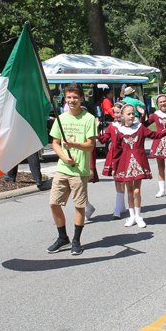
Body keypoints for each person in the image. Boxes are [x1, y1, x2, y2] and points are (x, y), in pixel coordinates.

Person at [47, 82, 97, 255]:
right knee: (54, 203)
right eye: (69, 97)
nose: (72, 100)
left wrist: (74, 144)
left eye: (75, 97)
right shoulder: (61, 119)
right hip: (63, 168)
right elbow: (55, 143)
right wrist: (64, 156)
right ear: (64, 99)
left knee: (79, 206)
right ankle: (63, 238)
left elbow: (90, 146)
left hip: (79, 171)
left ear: (81, 98)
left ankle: (76, 241)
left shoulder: (88, 119)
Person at [111, 104, 166, 228]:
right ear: (122, 116)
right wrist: (114, 167)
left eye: (133, 113)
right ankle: (131, 216)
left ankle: (138, 215)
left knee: (137, 190)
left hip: (138, 161)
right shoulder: (119, 131)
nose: (131, 116)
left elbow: (154, 135)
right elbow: (116, 150)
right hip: (125, 163)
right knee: (130, 191)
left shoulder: (140, 128)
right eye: (128, 114)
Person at [143, 94, 166, 197]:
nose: (163, 103)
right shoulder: (155, 114)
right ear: (157, 104)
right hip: (158, 141)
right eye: (160, 102)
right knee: (160, 167)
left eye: (164, 101)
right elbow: (144, 125)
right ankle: (162, 189)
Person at [97, 102, 127, 219]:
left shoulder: (129, 126)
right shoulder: (112, 126)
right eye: (114, 112)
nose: (116, 115)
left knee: (121, 181)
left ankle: (117, 209)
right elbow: (104, 140)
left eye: (118, 112)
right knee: (117, 181)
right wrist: (97, 129)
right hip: (114, 155)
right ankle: (122, 206)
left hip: (124, 155)